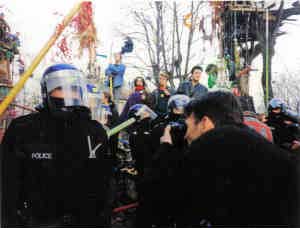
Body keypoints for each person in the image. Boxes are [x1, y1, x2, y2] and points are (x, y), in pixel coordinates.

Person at [149, 91, 299, 227]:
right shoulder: (256, 143)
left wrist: (166, 148)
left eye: (188, 126)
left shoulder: (209, 145)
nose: (186, 134)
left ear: (205, 123)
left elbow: (159, 195)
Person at [1, 63, 112, 227]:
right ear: (47, 92)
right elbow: (7, 184)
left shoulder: (95, 132)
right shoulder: (23, 129)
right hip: (38, 221)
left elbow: (104, 184)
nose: (69, 94)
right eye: (61, 89)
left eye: (74, 89)